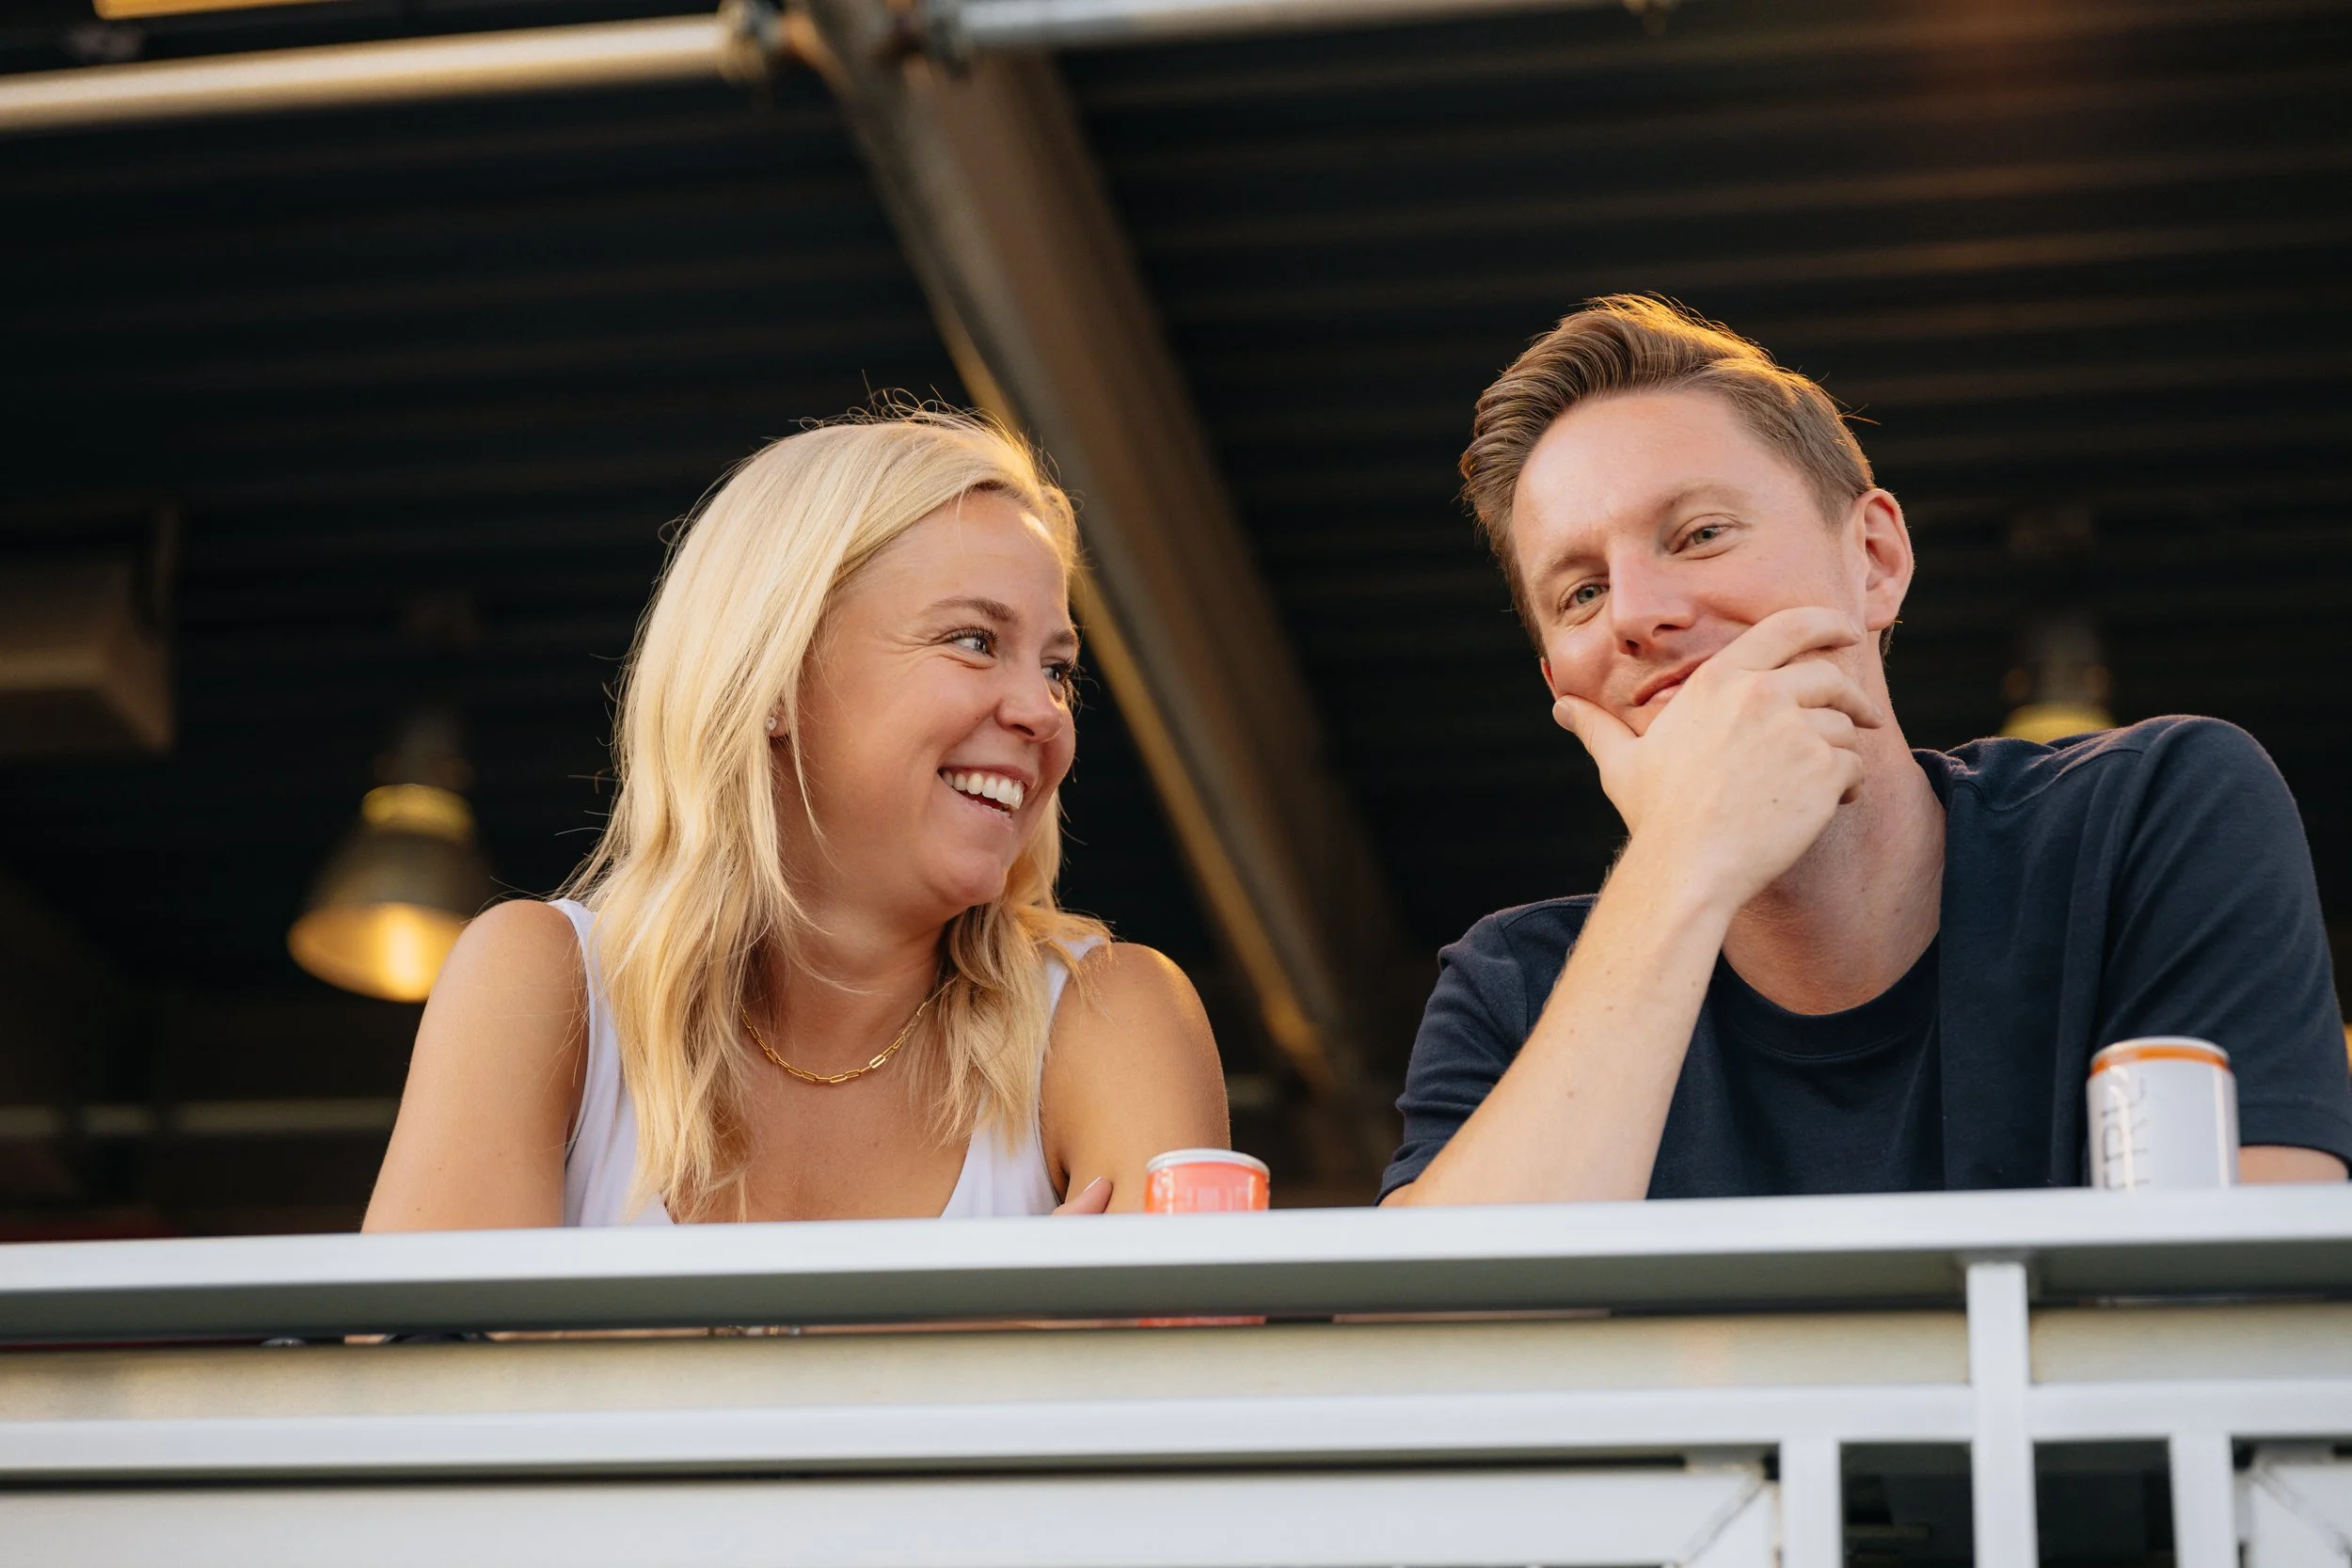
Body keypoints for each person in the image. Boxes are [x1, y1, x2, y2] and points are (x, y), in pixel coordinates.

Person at [1383, 295, 2351, 1205]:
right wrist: (1682, 862)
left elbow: (2252, 1297)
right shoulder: (1511, 986)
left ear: (1875, 560)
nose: (1635, 612)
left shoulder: (2152, 814)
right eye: (1582, 593)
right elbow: (1428, 1321)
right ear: (1558, 681)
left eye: (1701, 533)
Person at [367, 409, 1228, 1229]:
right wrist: (1010, 1319)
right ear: (773, 677)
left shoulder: (1111, 1016)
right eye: (974, 640)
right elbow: (425, 1347)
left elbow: (1178, 1340)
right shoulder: (542, 983)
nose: (1044, 712)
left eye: (1057, 670)